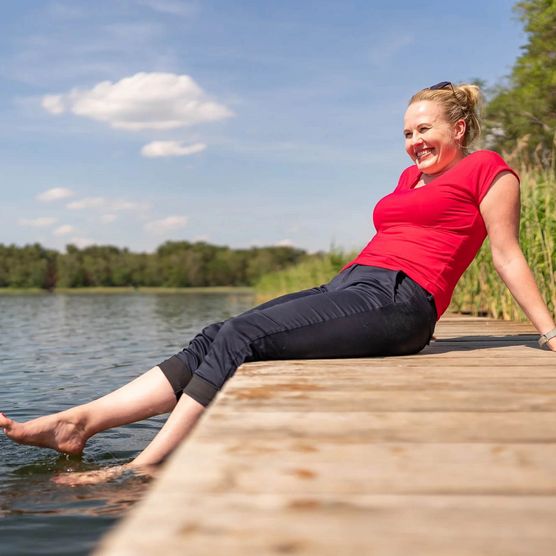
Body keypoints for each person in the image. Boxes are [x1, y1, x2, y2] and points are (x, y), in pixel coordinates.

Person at [2, 81, 555, 484]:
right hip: (352, 286)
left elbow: (507, 255)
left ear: (458, 127)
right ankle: (82, 422)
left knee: (243, 336)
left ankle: (144, 464)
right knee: (222, 328)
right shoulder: (410, 177)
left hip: (401, 300)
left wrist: (548, 331)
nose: (413, 142)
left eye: (424, 129)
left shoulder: (489, 169)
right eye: (407, 133)